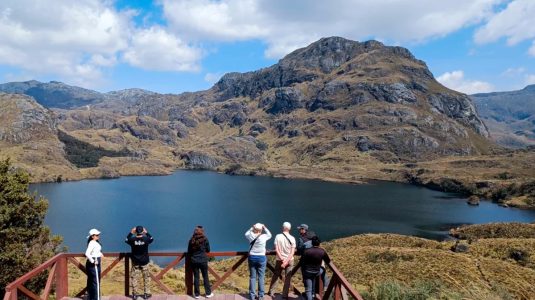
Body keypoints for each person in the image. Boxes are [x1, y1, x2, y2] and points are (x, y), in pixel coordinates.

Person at [296, 224, 329, 291]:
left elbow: (299, 251)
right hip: (318, 258)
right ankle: (325, 286)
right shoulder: (313, 234)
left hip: (307, 262)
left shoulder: (301, 239)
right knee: (321, 270)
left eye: (300, 229)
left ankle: (309, 292)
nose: (299, 231)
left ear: (303, 229)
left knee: (307, 277)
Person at [267, 222, 296, 298]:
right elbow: (292, 252)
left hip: (279, 260)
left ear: (283, 227)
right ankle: (285, 294)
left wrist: (282, 259)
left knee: (276, 275)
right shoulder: (292, 238)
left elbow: (277, 249)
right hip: (289, 260)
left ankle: (271, 292)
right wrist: (286, 261)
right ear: (289, 229)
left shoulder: (278, 236)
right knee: (288, 277)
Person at [125, 226, 154, 300]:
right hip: (145, 262)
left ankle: (135, 295)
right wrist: (147, 232)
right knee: (146, 278)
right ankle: (146, 294)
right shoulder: (146, 239)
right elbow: (152, 239)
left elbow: (126, 239)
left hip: (135, 262)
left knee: (134, 278)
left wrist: (131, 233)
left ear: (136, 231)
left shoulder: (132, 239)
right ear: (142, 231)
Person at [245, 223, 272, 300]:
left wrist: (251, 227)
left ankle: (252, 296)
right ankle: (261, 296)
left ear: (255, 228)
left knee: (253, 277)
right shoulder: (264, 236)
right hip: (261, 258)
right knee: (261, 277)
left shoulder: (250, 235)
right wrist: (265, 227)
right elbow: (270, 234)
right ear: (261, 229)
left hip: (252, 257)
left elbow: (246, 233)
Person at [187, 226, 214, 299]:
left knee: (196, 277)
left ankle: (197, 294)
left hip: (194, 261)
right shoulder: (205, 239)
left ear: (195, 232)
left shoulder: (191, 240)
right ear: (202, 231)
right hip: (203, 260)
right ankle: (208, 293)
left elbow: (189, 251)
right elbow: (208, 250)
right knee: (205, 277)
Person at [85, 228, 104, 300]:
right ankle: (96, 298)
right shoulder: (92, 243)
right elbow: (87, 253)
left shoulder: (93, 242)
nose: (98, 236)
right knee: (96, 282)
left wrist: (100, 253)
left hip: (94, 262)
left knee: (91, 281)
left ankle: (91, 297)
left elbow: (95, 251)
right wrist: (93, 261)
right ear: (92, 236)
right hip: (94, 264)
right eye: (97, 235)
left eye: (98, 234)